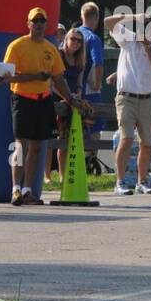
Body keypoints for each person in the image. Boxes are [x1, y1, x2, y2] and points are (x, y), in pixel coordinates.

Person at [3, 7, 90, 205]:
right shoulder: (17, 46)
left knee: (36, 147)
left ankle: (27, 190)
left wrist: (71, 99)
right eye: (36, 21)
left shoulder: (51, 49)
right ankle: (15, 189)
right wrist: (35, 76)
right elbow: (8, 77)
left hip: (43, 100)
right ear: (29, 24)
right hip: (22, 98)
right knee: (20, 145)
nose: (39, 25)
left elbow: (59, 78)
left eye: (43, 22)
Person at [107, 11, 151, 195]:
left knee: (147, 143)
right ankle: (120, 182)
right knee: (126, 138)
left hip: (147, 99)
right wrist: (134, 17)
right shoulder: (129, 39)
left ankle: (142, 181)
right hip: (126, 97)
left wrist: (148, 47)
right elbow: (108, 22)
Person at [55, 25, 87, 184]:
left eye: (79, 41)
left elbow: (80, 83)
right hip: (59, 99)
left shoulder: (80, 60)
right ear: (66, 39)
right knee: (62, 138)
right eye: (73, 39)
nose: (76, 43)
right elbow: (55, 82)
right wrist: (68, 97)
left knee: (75, 138)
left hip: (75, 100)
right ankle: (61, 175)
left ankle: (74, 173)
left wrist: (78, 96)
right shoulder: (58, 55)